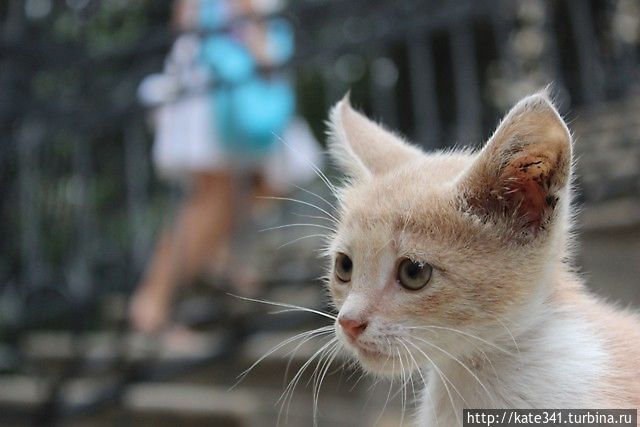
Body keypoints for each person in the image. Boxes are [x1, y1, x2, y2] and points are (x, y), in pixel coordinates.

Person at [130, 0, 322, 333]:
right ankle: (153, 305)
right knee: (212, 199)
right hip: (224, 83)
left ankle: (212, 258)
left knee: (254, 183)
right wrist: (262, 50)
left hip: (216, 79)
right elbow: (248, 27)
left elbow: (184, 20)